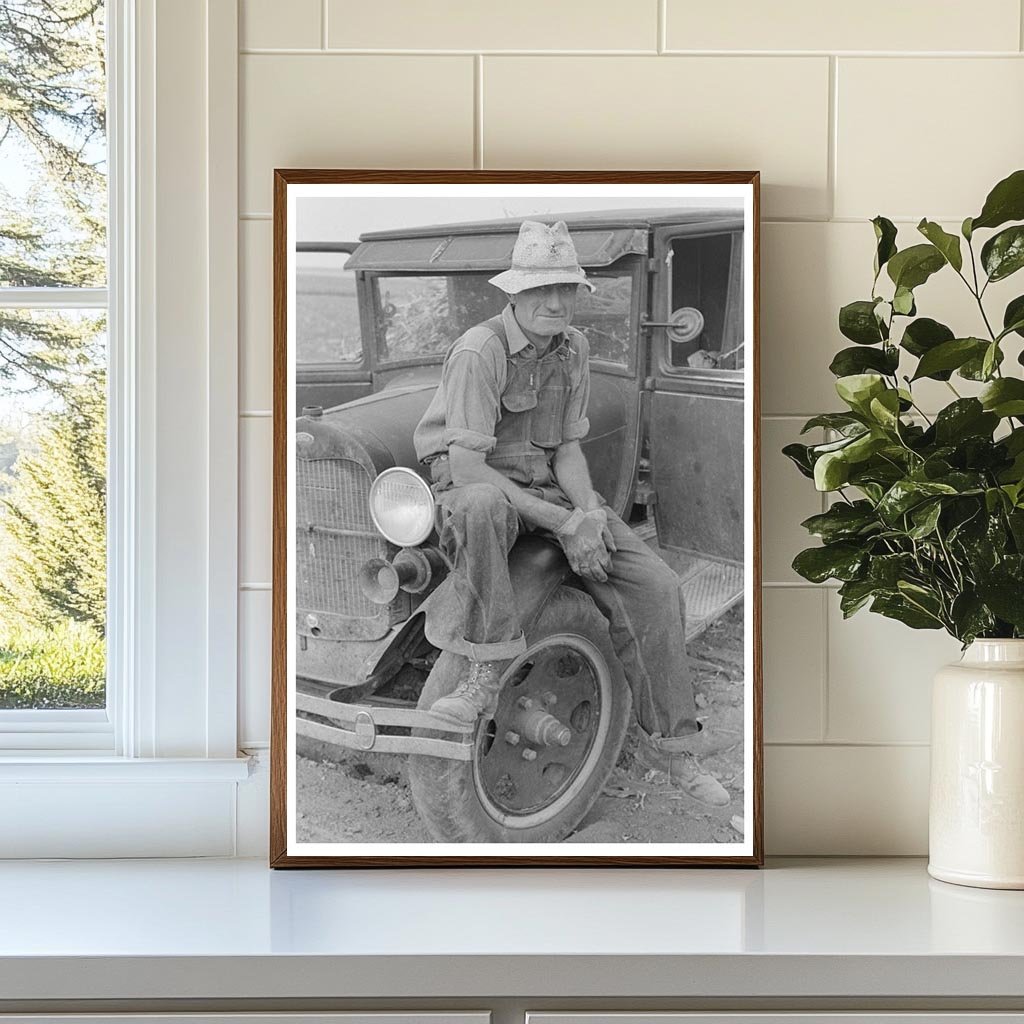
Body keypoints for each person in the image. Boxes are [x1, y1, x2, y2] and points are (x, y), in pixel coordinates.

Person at [412, 220, 729, 808]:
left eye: (566, 289)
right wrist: (564, 525)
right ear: (514, 293)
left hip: (548, 489)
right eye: (541, 290)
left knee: (656, 586)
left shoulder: (573, 349)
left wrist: (586, 513)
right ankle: (483, 672)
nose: (556, 302)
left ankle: (673, 748)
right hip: (477, 489)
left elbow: (565, 450)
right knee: (481, 506)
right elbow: (469, 468)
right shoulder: (479, 351)